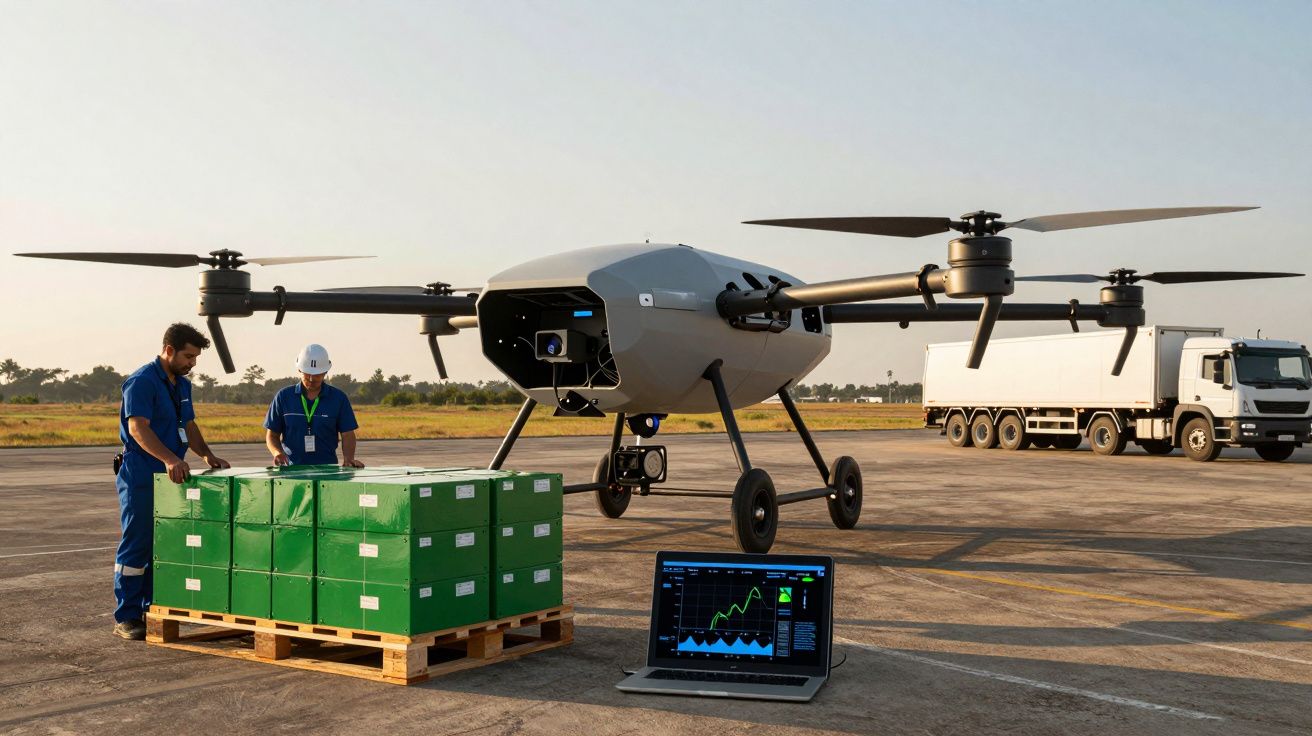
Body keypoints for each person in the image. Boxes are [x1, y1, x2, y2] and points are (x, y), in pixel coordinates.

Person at [114, 323, 229, 640]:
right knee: (138, 543)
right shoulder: (142, 381)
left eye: (195, 358)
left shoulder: (182, 385)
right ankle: (126, 616)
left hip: (172, 474)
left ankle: (153, 608)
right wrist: (169, 459)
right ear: (169, 350)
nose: (192, 363)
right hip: (142, 470)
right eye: (188, 356)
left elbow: (188, 425)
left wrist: (206, 455)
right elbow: (138, 428)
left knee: (164, 543)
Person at [264, 344, 364, 468]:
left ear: (325, 372)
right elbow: (272, 435)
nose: (311, 379)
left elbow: (347, 434)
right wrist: (277, 453)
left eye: (317, 374)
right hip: (291, 470)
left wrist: (349, 459)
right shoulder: (283, 397)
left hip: (327, 470)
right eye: (307, 374)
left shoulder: (339, 398)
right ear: (299, 370)